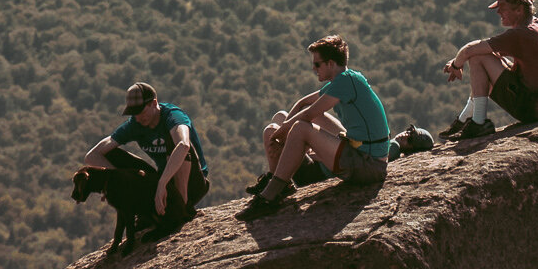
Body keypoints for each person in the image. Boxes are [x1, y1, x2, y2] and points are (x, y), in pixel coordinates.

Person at [236, 34, 390, 219]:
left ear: (331, 63)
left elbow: (309, 114)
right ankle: (278, 180)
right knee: (281, 117)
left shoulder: (346, 81)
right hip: (360, 153)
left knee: (300, 127)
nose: (313, 68)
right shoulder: (346, 80)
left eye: (317, 64)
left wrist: (281, 133)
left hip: (368, 165)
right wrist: (284, 131)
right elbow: (303, 104)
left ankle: (269, 196)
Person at [439, 0, 538, 139]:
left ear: (519, 10)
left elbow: (469, 50)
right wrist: (462, 58)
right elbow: (482, 51)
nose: (498, 12)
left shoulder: (521, 34)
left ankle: (478, 122)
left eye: (503, 8)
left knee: (478, 58)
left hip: (535, 109)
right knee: (485, 56)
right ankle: (464, 119)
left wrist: (455, 65)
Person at [78, 81, 211, 228]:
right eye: (134, 113)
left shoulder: (173, 116)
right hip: (164, 183)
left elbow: (184, 145)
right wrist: (115, 179)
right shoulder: (135, 124)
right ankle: (147, 212)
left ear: (154, 103)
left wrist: (162, 184)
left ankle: (182, 208)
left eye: (141, 111)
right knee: (111, 154)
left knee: (175, 141)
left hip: (193, 184)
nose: (138, 117)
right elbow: (91, 156)